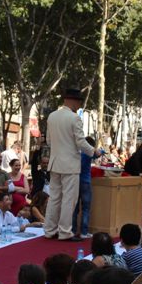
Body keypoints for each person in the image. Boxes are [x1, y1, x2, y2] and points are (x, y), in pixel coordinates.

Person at [44, 88, 98, 242]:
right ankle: (65, 232)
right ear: (72, 100)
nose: (79, 105)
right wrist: (94, 152)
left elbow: (48, 141)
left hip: (55, 163)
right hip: (70, 165)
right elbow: (81, 142)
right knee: (69, 199)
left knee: (54, 198)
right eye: (79, 102)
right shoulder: (75, 118)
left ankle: (49, 230)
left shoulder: (52, 116)